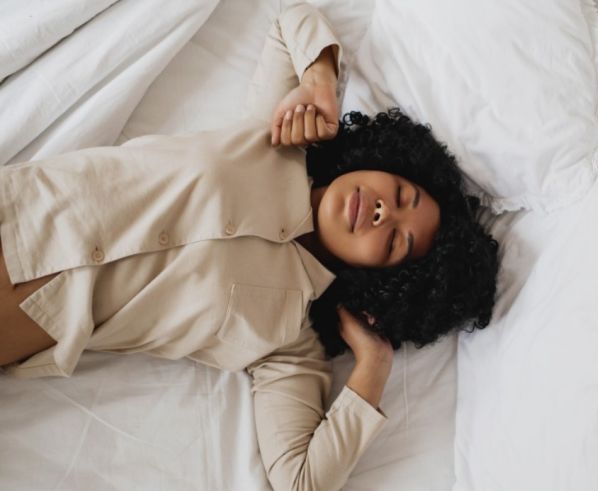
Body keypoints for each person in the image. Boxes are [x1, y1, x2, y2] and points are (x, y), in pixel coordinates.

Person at [0, 3, 499, 491]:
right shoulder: (276, 137)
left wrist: (373, 367)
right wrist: (318, 83)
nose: (381, 212)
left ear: (384, 281)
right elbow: (291, 21)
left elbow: (301, 481)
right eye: (399, 193)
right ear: (383, 162)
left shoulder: (288, 343)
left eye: (394, 241)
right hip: (17, 210)